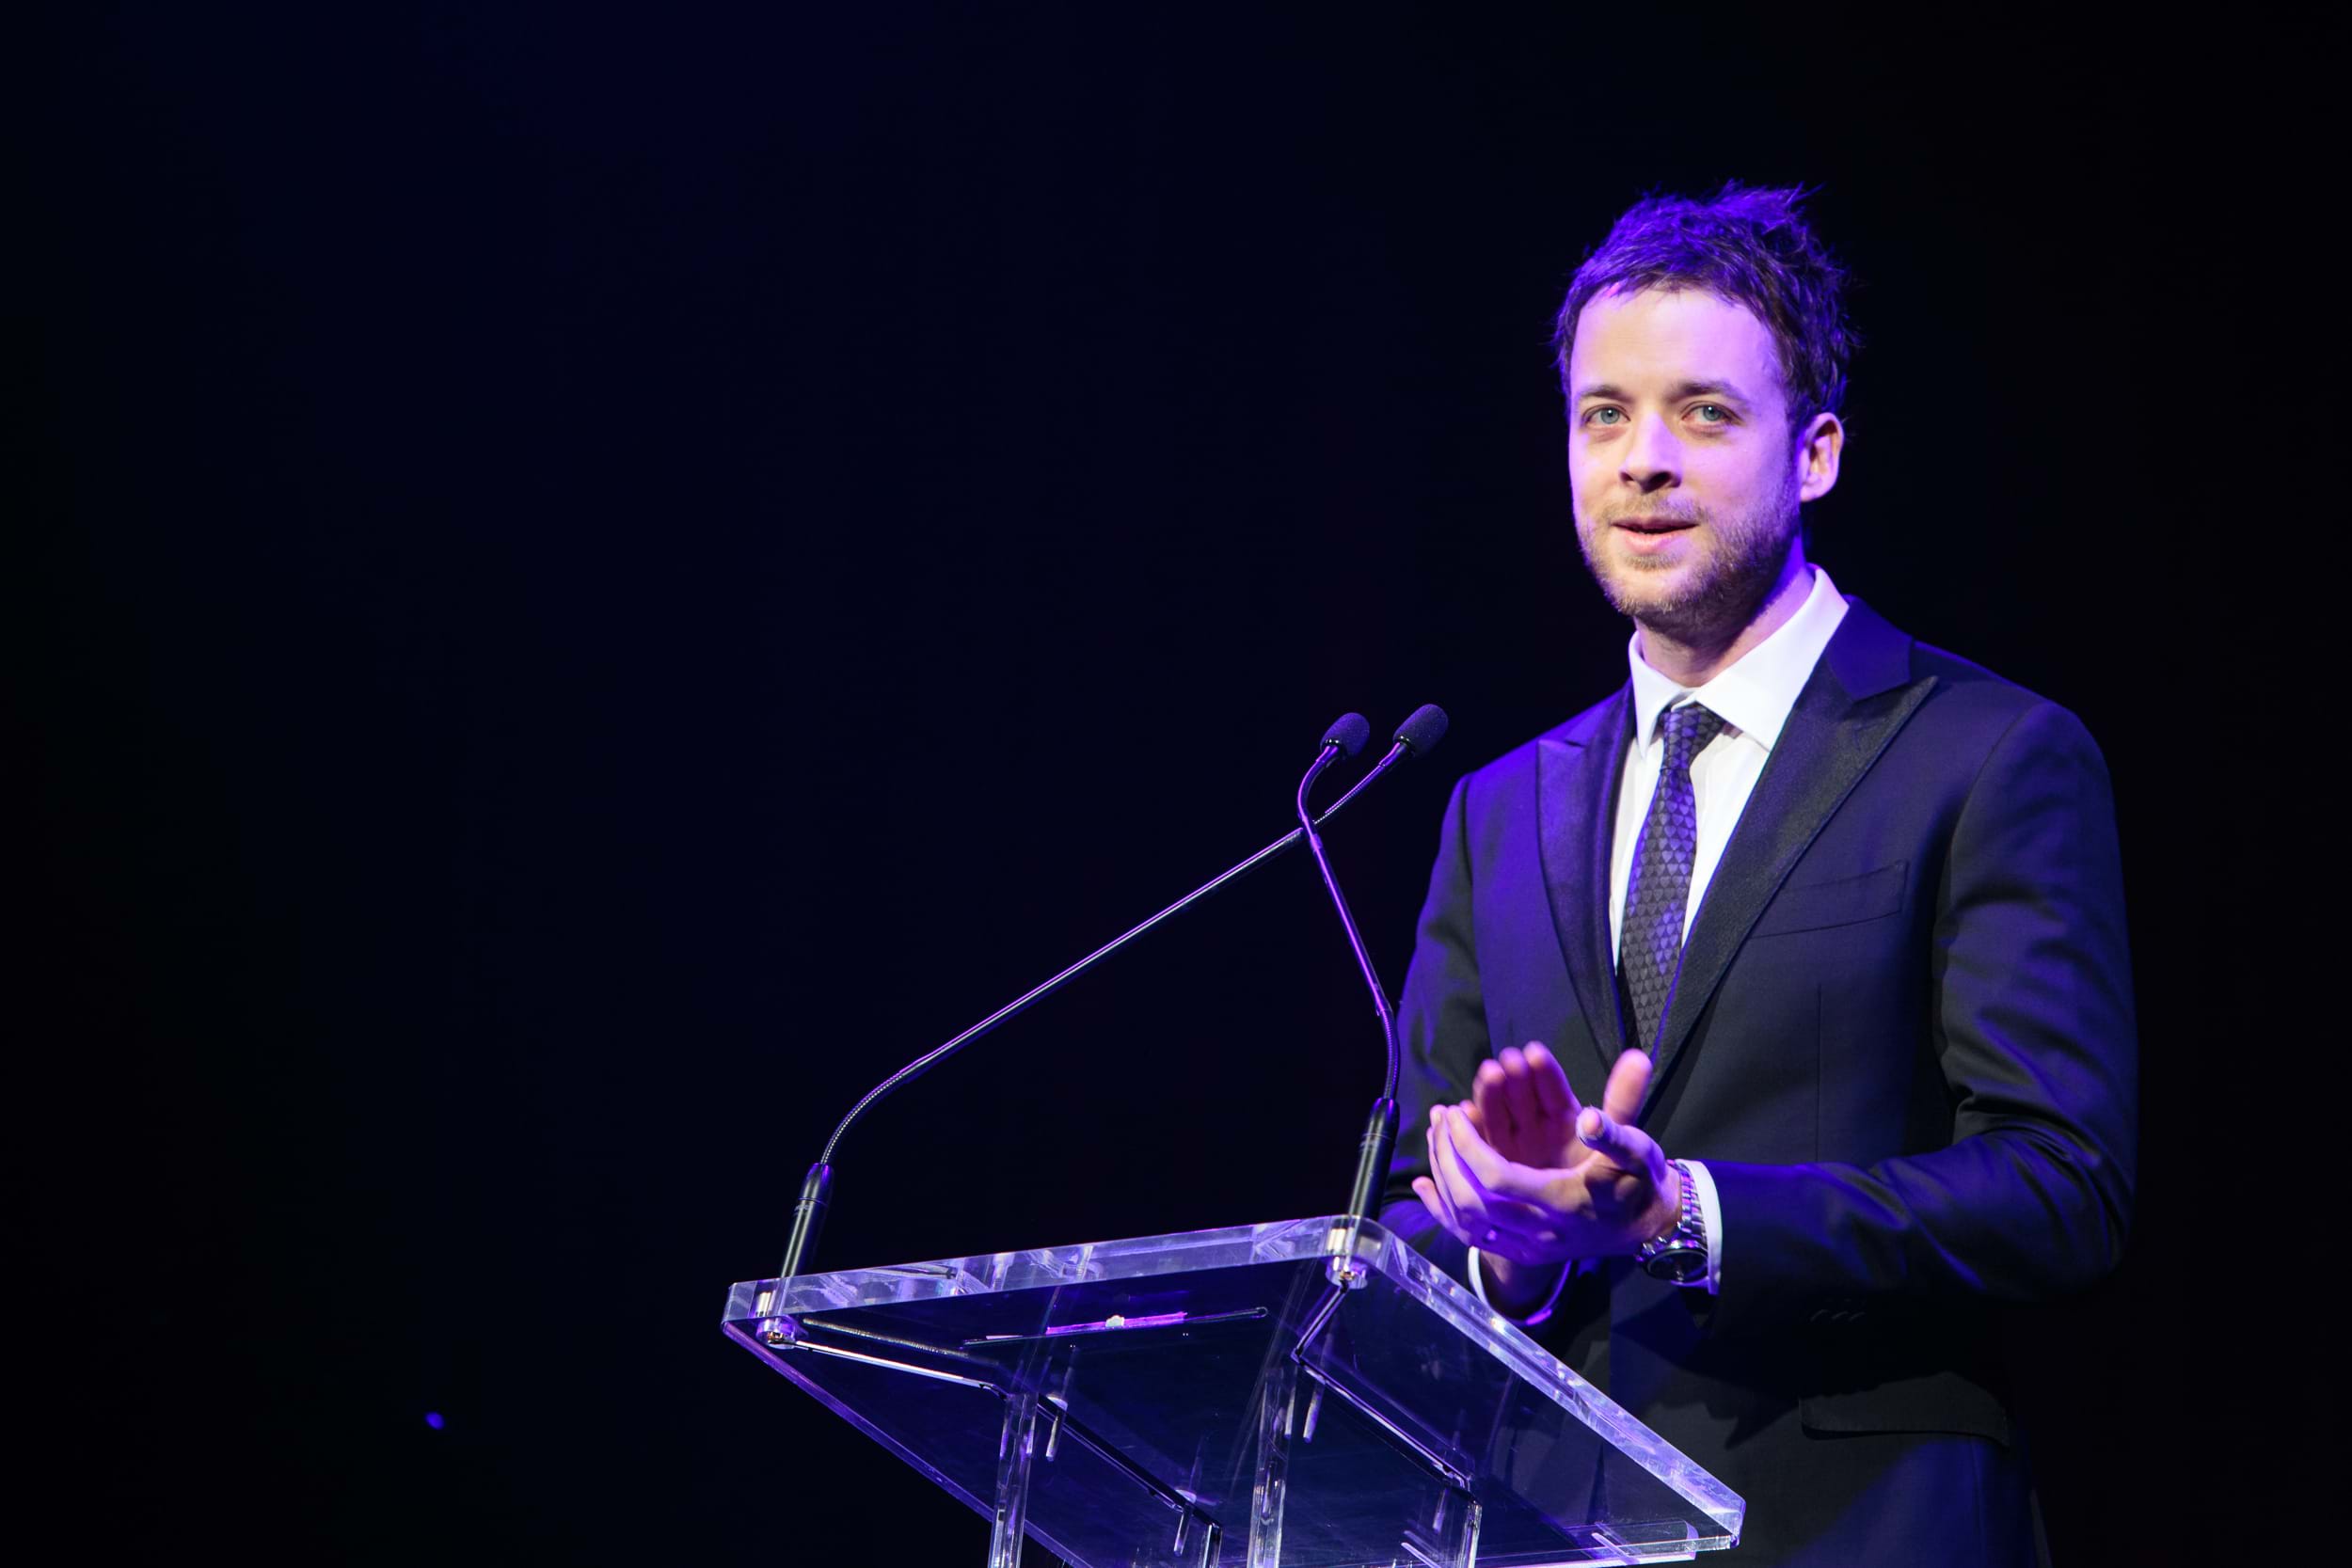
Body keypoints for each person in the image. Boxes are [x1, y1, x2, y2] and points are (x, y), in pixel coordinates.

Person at [1380, 184, 2136, 1567]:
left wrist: (1687, 1214)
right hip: (1542, 1531)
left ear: (1817, 454)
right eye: (1603, 414)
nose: (1641, 461)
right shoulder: (1499, 807)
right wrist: (1513, 1244)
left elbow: (2060, 1186)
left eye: (1705, 413)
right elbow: (1412, 1209)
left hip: (1859, 1526)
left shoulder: (1988, 753)